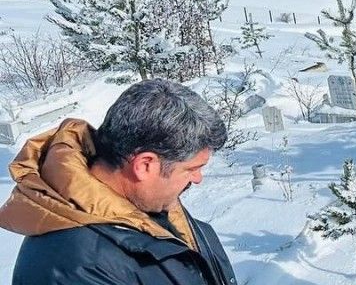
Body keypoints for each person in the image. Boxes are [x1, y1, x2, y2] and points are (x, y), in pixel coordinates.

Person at [0, 79, 236, 285]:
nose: (198, 179)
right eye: (192, 169)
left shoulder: (150, 205)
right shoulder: (74, 268)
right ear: (145, 165)